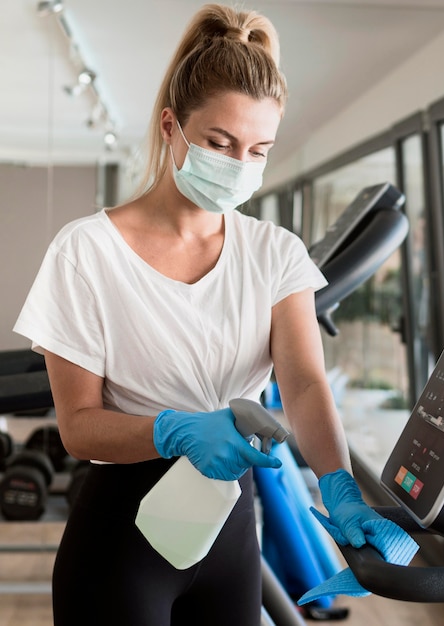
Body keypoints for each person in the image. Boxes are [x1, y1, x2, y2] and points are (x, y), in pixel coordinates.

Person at [14, 4, 415, 625]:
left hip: (229, 528)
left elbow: (305, 383)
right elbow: (78, 427)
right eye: (219, 142)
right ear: (172, 126)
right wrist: (172, 430)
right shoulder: (85, 250)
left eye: (258, 150)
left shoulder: (275, 253)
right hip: (122, 532)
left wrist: (340, 487)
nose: (238, 164)